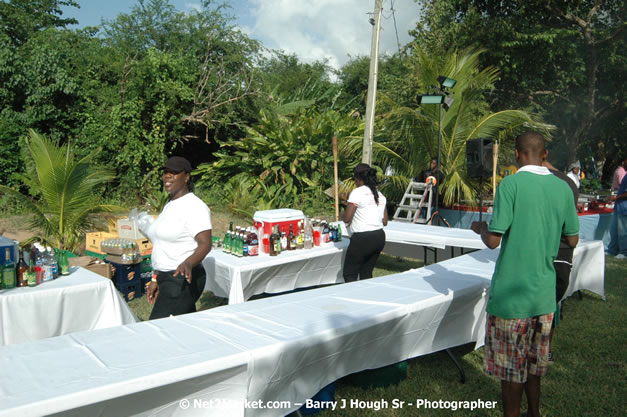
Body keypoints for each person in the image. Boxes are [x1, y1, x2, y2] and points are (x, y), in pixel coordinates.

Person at [471, 132, 579, 417]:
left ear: (517, 154)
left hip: (511, 297)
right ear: (544, 154)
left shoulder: (510, 184)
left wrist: (480, 229)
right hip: (543, 296)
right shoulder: (563, 188)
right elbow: (573, 239)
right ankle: (534, 412)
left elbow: (494, 240)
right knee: (534, 365)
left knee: (511, 372)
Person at [144, 156, 212, 319]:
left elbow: (205, 243)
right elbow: (162, 246)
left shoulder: (195, 207)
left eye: (173, 173)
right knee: (183, 328)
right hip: (166, 278)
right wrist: (155, 278)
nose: (167, 176)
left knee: (158, 327)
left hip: (182, 278)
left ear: (186, 177)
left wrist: (188, 263)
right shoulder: (170, 204)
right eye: (166, 172)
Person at [541, 158, 579, 362]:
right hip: (561, 253)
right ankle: (544, 351)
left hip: (549, 251)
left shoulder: (526, 182)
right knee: (550, 303)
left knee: (545, 304)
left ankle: (540, 350)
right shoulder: (568, 183)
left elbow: (572, 235)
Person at [342, 163, 388, 282]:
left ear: (358, 178)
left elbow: (347, 219)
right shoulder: (380, 194)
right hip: (379, 236)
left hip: (362, 238)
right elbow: (385, 221)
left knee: (349, 274)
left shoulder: (357, 192)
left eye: (355, 179)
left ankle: (352, 299)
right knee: (366, 272)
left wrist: (342, 214)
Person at [608, 174, 627, 259]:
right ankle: (612, 251)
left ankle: (624, 252)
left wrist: (616, 197)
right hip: (618, 207)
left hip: (624, 208)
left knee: (623, 233)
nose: (623, 162)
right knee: (614, 231)